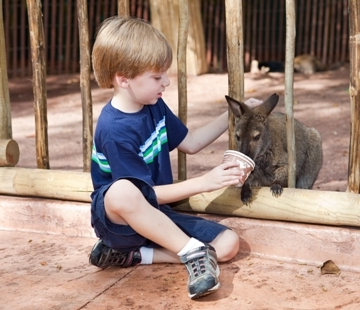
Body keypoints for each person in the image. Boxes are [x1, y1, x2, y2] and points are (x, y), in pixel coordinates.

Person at [88, 16, 261, 300]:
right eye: (157, 77)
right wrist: (205, 182)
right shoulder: (113, 130)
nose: (166, 82)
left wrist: (236, 115)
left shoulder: (153, 105)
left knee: (229, 244)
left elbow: (191, 143)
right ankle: (193, 252)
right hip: (120, 223)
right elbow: (142, 197)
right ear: (124, 79)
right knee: (121, 191)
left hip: (157, 216)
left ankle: (135, 256)